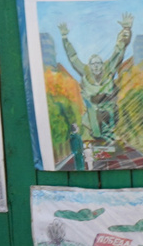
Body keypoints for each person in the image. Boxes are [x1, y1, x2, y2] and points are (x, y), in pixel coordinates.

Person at [58, 14, 136, 163]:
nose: (96, 66)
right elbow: (73, 58)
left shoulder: (109, 70)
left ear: (102, 64)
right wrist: (64, 38)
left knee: (109, 142)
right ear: (89, 65)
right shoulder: (85, 72)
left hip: (109, 113)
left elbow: (119, 51)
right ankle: (101, 152)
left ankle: (110, 149)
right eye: (93, 64)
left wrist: (127, 29)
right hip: (92, 117)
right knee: (93, 134)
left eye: (98, 63)